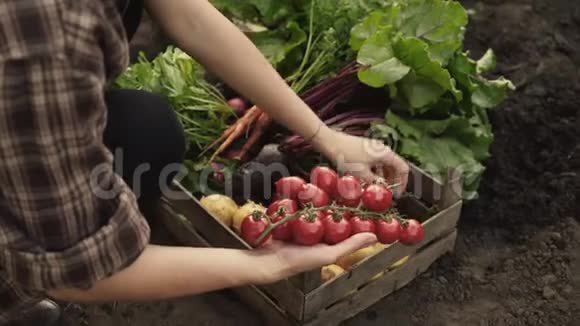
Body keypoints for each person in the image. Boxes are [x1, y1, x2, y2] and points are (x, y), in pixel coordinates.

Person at [0, 0, 410, 325]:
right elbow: (75, 274)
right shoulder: (43, 36)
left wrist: (327, 137)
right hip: (26, 77)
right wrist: (268, 265)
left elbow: (188, 15)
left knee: (146, 130)